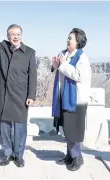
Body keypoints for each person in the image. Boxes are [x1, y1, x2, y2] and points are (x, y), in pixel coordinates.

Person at [0, 24, 37, 167]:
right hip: (4, 94)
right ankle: (7, 154)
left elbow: (32, 76)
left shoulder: (29, 52)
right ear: (8, 36)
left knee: (20, 128)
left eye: (17, 34)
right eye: (12, 34)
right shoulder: (2, 48)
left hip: (21, 95)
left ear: (21, 35)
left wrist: (31, 95)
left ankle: (19, 155)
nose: (15, 37)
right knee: (4, 127)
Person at [51, 28, 92, 171]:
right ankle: (69, 155)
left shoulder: (82, 57)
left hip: (76, 100)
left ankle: (77, 158)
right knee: (67, 128)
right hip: (64, 97)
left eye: (71, 38)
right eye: (68, 38)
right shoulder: (64, 54)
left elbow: (79, 76)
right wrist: (55, 66)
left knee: (73, 129)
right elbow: (60, 71)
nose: (68, 40)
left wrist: (63, 65)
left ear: (78, 42)